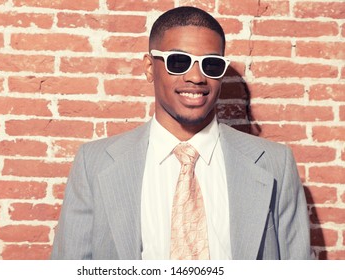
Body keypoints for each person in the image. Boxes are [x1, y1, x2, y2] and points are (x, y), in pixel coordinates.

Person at [51, 6, 311, 260]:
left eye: (210, 64)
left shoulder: (275, 164)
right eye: (178, 61)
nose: (196, 77)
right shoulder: (93, 163)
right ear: (149, 67)